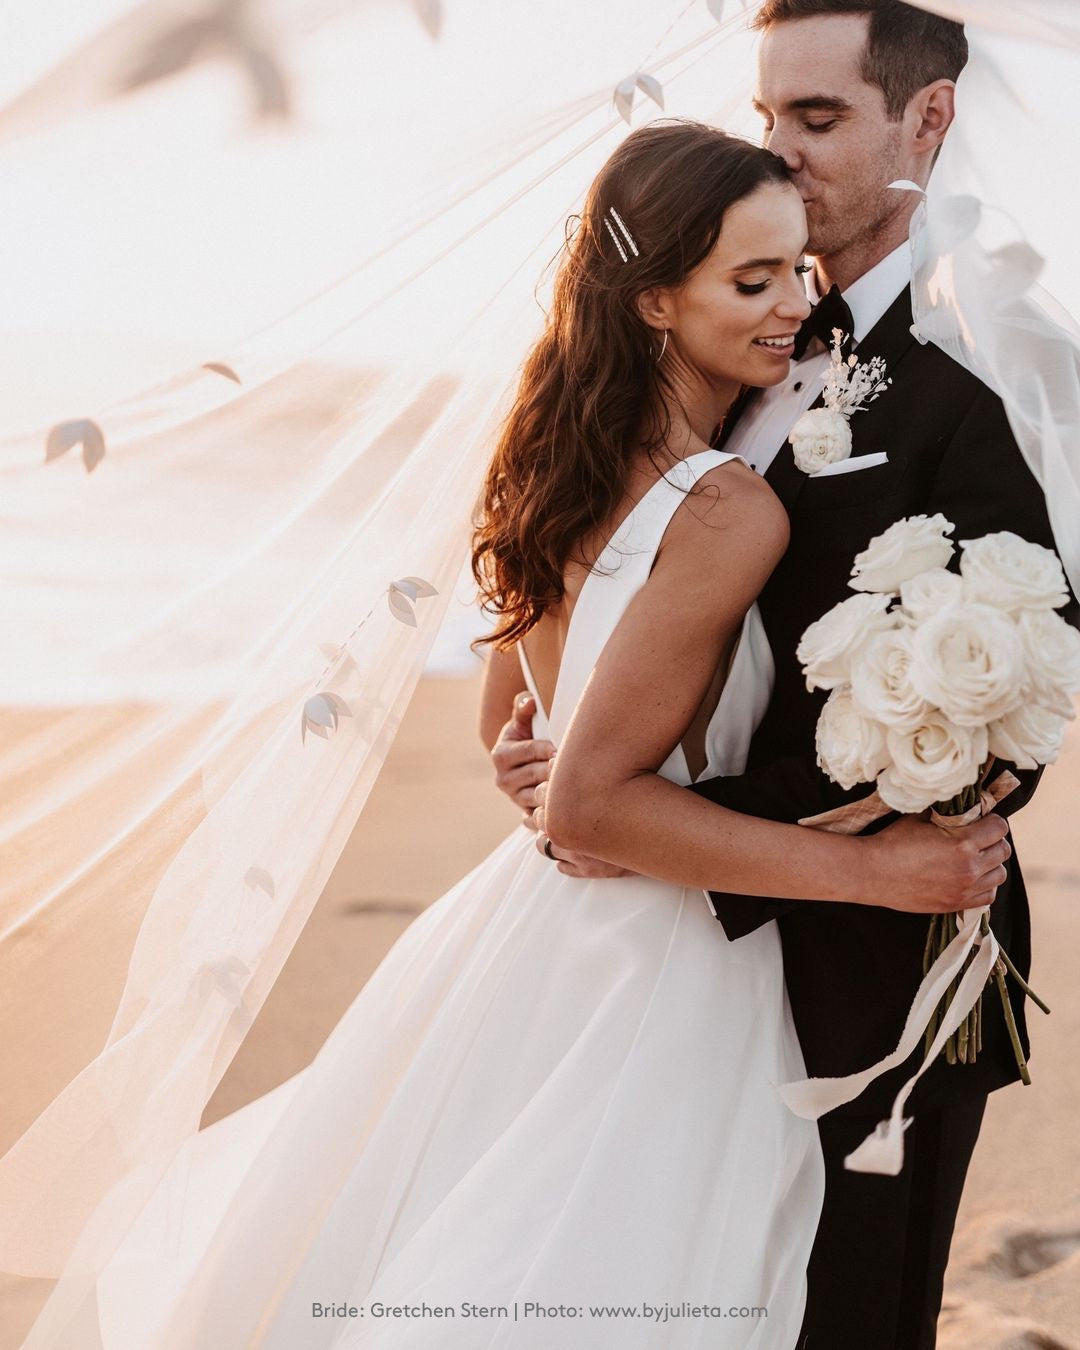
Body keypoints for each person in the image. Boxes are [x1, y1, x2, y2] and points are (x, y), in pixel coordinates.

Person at [53, 120, 1013, 1350]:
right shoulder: (724, 508)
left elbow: (511, 731)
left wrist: (545, 770)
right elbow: (589, 809)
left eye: (800, 271)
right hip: (661, 970)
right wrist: (880, 873)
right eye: (752, 279)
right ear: (657, 299)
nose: (795, 306)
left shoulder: (547, 453)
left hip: (523, 935)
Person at [507, 4, 1068, 1348]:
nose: (781, 153)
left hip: (885, 964)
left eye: (817, 120)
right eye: (767, 117)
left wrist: (648, 811)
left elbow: (1009, 720)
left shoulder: (993, 371)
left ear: (924, 121)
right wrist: (552, 740)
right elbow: (614, 587)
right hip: (674, 965)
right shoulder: (735, 345)